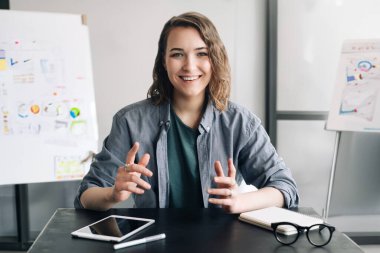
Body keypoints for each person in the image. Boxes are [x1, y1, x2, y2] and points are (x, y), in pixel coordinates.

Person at [74, 12, 299, 213]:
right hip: (153, 243)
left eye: (201, 53)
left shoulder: (240, 122)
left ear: (215, 59)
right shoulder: (130, 121)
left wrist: (240, 201)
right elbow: (86, 194)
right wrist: (113, 193)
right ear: (163, 61)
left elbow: (285, 187)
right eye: (177, 54)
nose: (189, 66)